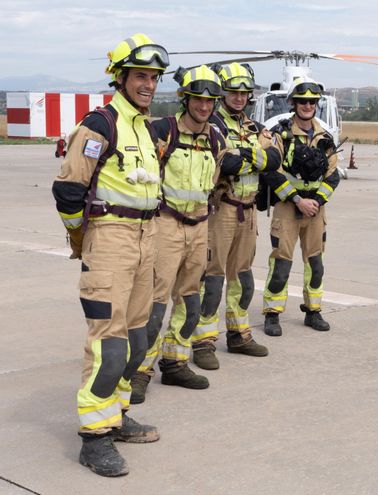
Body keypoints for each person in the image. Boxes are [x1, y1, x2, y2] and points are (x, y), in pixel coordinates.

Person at [51, 34, 168, 477]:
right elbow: (67, 191)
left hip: (146, 236)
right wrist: (82, 239)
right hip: (110, 239)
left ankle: (115, 417)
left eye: (154, 78)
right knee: (110, 344)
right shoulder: (100, 125)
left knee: (138, 337)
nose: (149, 84)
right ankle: (94, 438)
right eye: (141, 75)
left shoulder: (143, 124)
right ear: (120, 77)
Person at [131, 66, 249, 403]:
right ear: (185, 99)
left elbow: (233, 164)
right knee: (153, 305)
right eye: (198, 99)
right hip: (166, 226)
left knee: (190, 300)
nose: (204, 106)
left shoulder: (215, 138)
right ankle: (139, 371)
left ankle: (175, 362)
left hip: (200, 227)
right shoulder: (162, 131)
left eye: (210, 100)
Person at [189, 62, 283, 370]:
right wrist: (253, 159)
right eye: (233, 92)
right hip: (222, 208)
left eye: (244, 93)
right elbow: (223, 164)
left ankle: (239, 334)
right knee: (212, 278)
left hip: (248, 211)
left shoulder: (253, 127)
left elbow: (274, 158)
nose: (240, 98)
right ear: (222, 94)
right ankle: (203, 341)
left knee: (242, 277)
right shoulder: (211, 125)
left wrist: (248, 157)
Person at [261, 78, 340, 335]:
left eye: (312, 102)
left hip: (315, 211)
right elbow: (273, 172)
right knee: (281, 264)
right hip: (287, 208)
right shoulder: (281, 134)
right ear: (293, 104)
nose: (307, 105)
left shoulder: (324, 136)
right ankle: (272, 314)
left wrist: (316, 202)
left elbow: (333, 176)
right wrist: (297, 200)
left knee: (315, 263)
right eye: (302, 101)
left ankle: (313, 310)